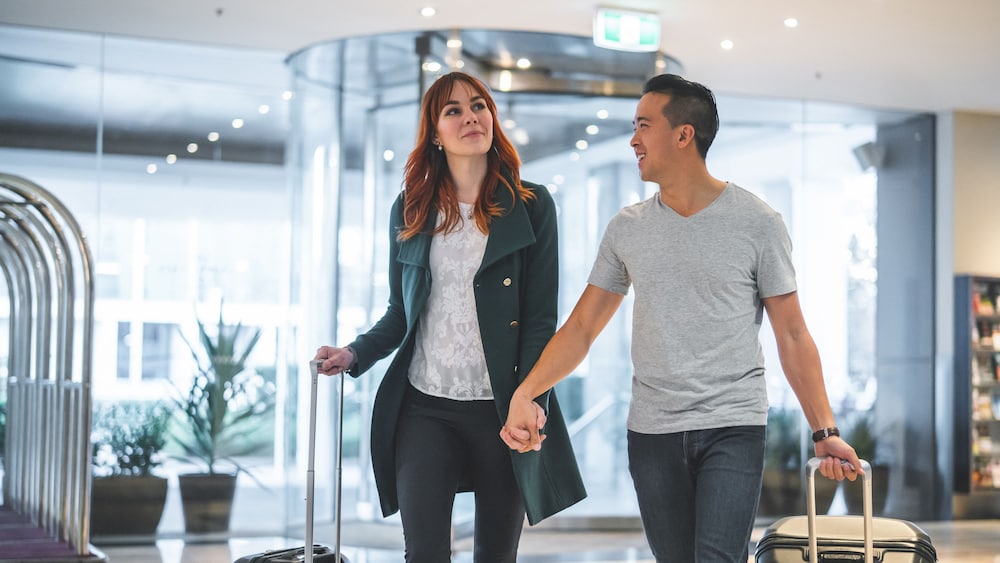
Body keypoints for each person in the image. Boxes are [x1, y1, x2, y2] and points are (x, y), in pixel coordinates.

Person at [499, 73, 862, 563]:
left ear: (683, 134)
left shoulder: (758, 223)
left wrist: (824, 431)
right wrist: (527, 392)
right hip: (651, 433)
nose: (633, 139)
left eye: (644, 125)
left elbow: (793, 334)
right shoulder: (627, 229)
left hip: (733, 424)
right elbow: (582, 328)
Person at [313, 71, 585, 563]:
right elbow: (401, 315)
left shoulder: (532, 205)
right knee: (424, 553)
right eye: (453, 110)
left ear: (493, 119)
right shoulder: (411, 209)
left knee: (495, 556)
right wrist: (353, 353)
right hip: (426, 407)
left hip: (504, 409)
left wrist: (532, 398)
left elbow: (541, 321)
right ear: (435, 132)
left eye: (478, 106)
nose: (470, 117)